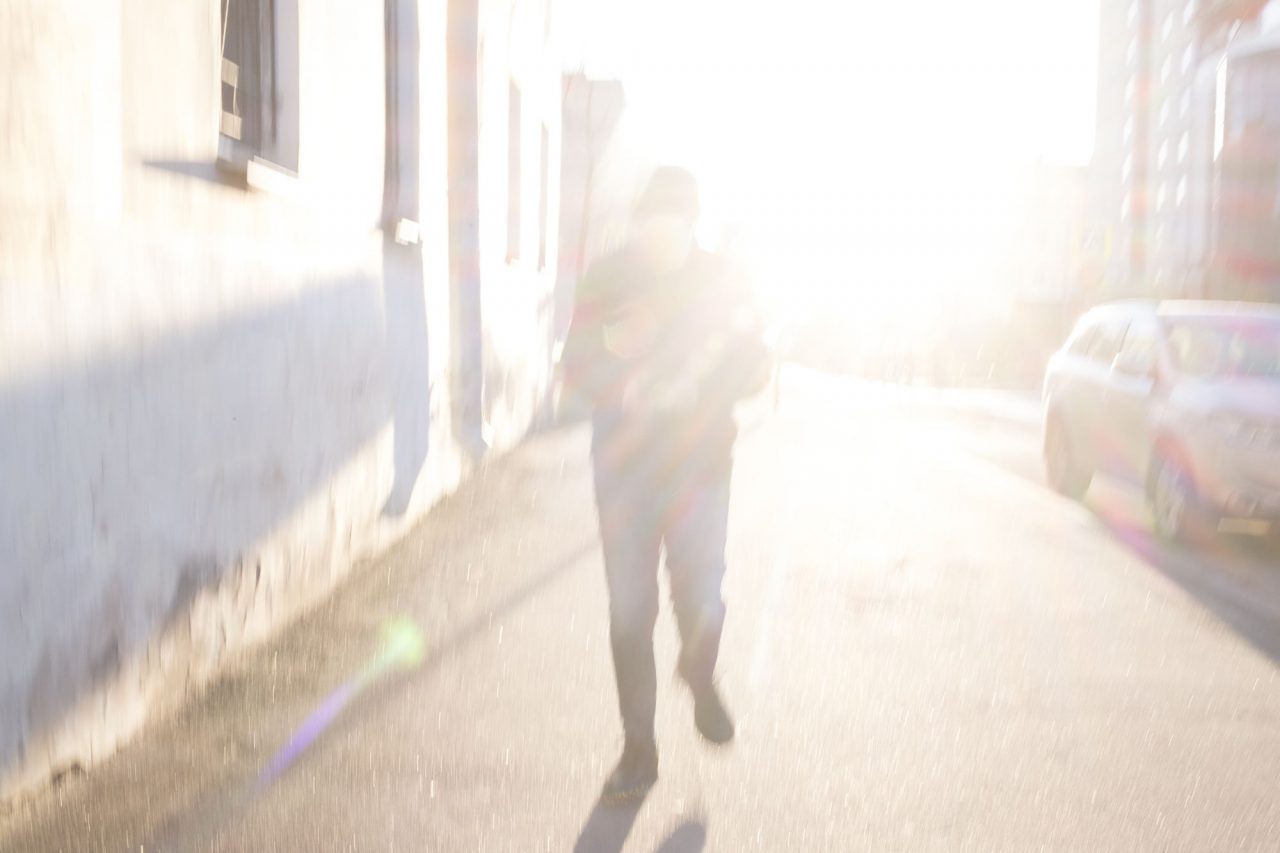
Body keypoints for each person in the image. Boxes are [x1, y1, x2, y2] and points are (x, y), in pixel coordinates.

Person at [561, 166, 772, 804]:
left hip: (699, 471)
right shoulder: (609, 276)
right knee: (629, 612)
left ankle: (699, 675)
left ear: (690, 225)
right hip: (623, 475)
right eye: (649, 222)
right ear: (639, 222)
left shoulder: (722, 280)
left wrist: (696, 389)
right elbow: (575, 363)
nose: (658, 236)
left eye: (671, 225)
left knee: (701, 595)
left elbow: (756, 368)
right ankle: (638, 750)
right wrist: (624, 385)